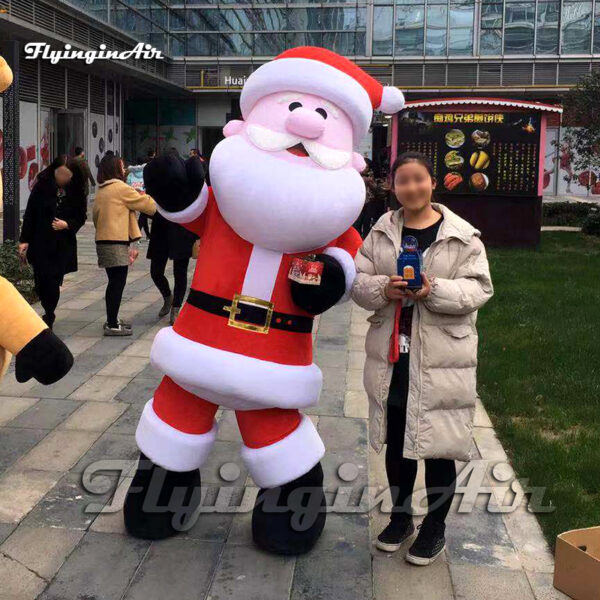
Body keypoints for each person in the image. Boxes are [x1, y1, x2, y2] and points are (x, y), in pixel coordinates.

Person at [351, 151, 494, 566]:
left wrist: (434, 290)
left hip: (442, 359)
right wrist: (384, 288)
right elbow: (357, 284)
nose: (411, 188)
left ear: (433, 183)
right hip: (393, 355)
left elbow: (479, 290)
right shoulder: (380, 232)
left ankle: (435, 527)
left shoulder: (463, 237)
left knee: (437, 445)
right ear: (393, 188)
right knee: (397, 441)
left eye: (418, 179)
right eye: (402, 181)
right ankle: (400, 518)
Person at [18, 155, 87, 330]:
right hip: (40, 241)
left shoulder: (76, 190)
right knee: (41, 280)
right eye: (60, 174)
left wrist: (67, 225)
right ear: (53, 171)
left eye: (66, 175)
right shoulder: (42, 186)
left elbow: (81, 216)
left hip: (61, 244)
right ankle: (47, 307)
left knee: (53, 280)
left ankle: (49, 313)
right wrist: (24, 240)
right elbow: (30, 214)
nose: (62, 178)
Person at [93, 154, 156, 336]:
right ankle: (112, 324)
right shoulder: (120, 188)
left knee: (114, 282)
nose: (124, 169)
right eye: (121, 166)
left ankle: (112, 319)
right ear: (115, 169)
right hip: (115, 241)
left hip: (104, 240)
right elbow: (147, 206)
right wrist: (148, 196)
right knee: (117, 283)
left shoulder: (102, 189)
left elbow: (96, 217)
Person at [147, 208, 198, 325]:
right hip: (160, 230)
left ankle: (176, 308)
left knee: (180, 272)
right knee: (155, 272)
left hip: (182, 229)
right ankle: (167, 296)